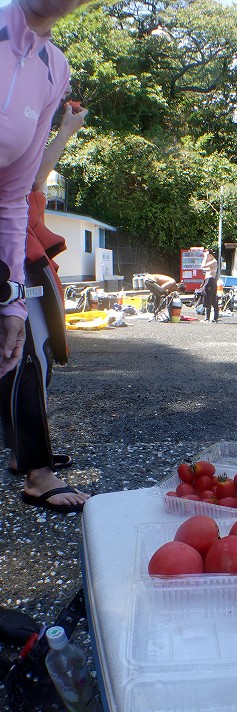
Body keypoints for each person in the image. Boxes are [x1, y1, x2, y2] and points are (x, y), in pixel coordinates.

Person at [1, 0, 93, 512]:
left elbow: (23, 184)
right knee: (25, 362)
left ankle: (31, 462)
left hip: (19, 252)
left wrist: (64, 131)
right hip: (23, 251)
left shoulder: (51, 67)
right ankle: (32, 465)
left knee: (27, 358)